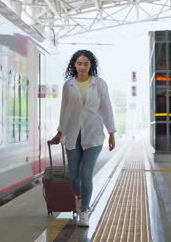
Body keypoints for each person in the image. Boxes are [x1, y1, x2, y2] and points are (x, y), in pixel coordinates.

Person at [51, 49, 116, 227]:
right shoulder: (68, 85)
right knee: (73, 177)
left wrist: (111, 133)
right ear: (74, 65)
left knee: (86, 174)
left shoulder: (99, 84)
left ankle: (84, 210)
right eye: (79, 63)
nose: (82, 67)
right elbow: (65, 111)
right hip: (72, 135)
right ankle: (80, 197)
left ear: (91, 65)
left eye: (86, 64)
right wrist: (59, 132)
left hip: (93, 135)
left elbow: (107, 109)